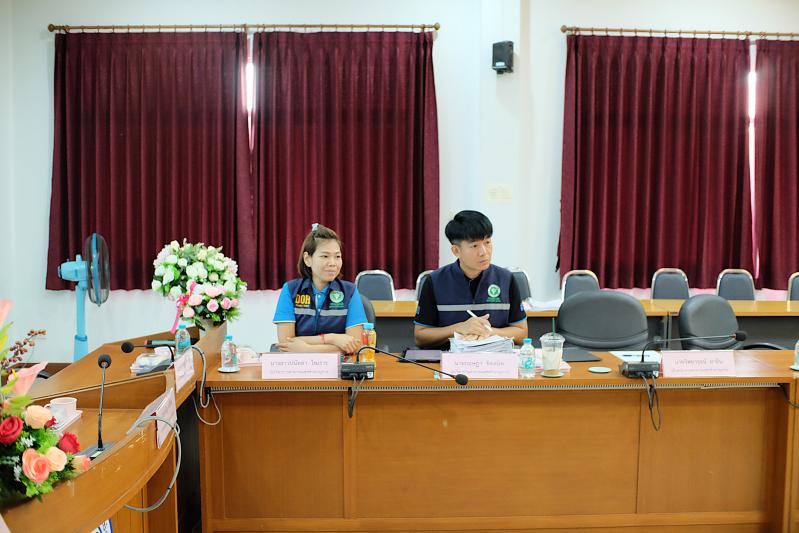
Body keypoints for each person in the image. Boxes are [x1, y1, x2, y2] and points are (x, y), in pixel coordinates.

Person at [414, 210, 528, 350]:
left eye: (487, 242)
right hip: (449, 358)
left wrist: (489, 332)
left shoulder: (506, 279)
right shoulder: (434, 281)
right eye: (474, 246)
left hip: (495, 358)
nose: (484, 252)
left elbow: (522, 332)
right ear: (456, 250)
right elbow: (420, 337)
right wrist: (460, 328)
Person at [273, 224, 367, 353]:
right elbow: (286, 343)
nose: (333, 263)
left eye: (337, 256)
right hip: (299, 363)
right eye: (325, 256)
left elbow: (354, 345)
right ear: (308, 259)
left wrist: (306, 349)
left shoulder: (350, 291)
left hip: (338, 364)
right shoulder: (290, 290)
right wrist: (333, 338)